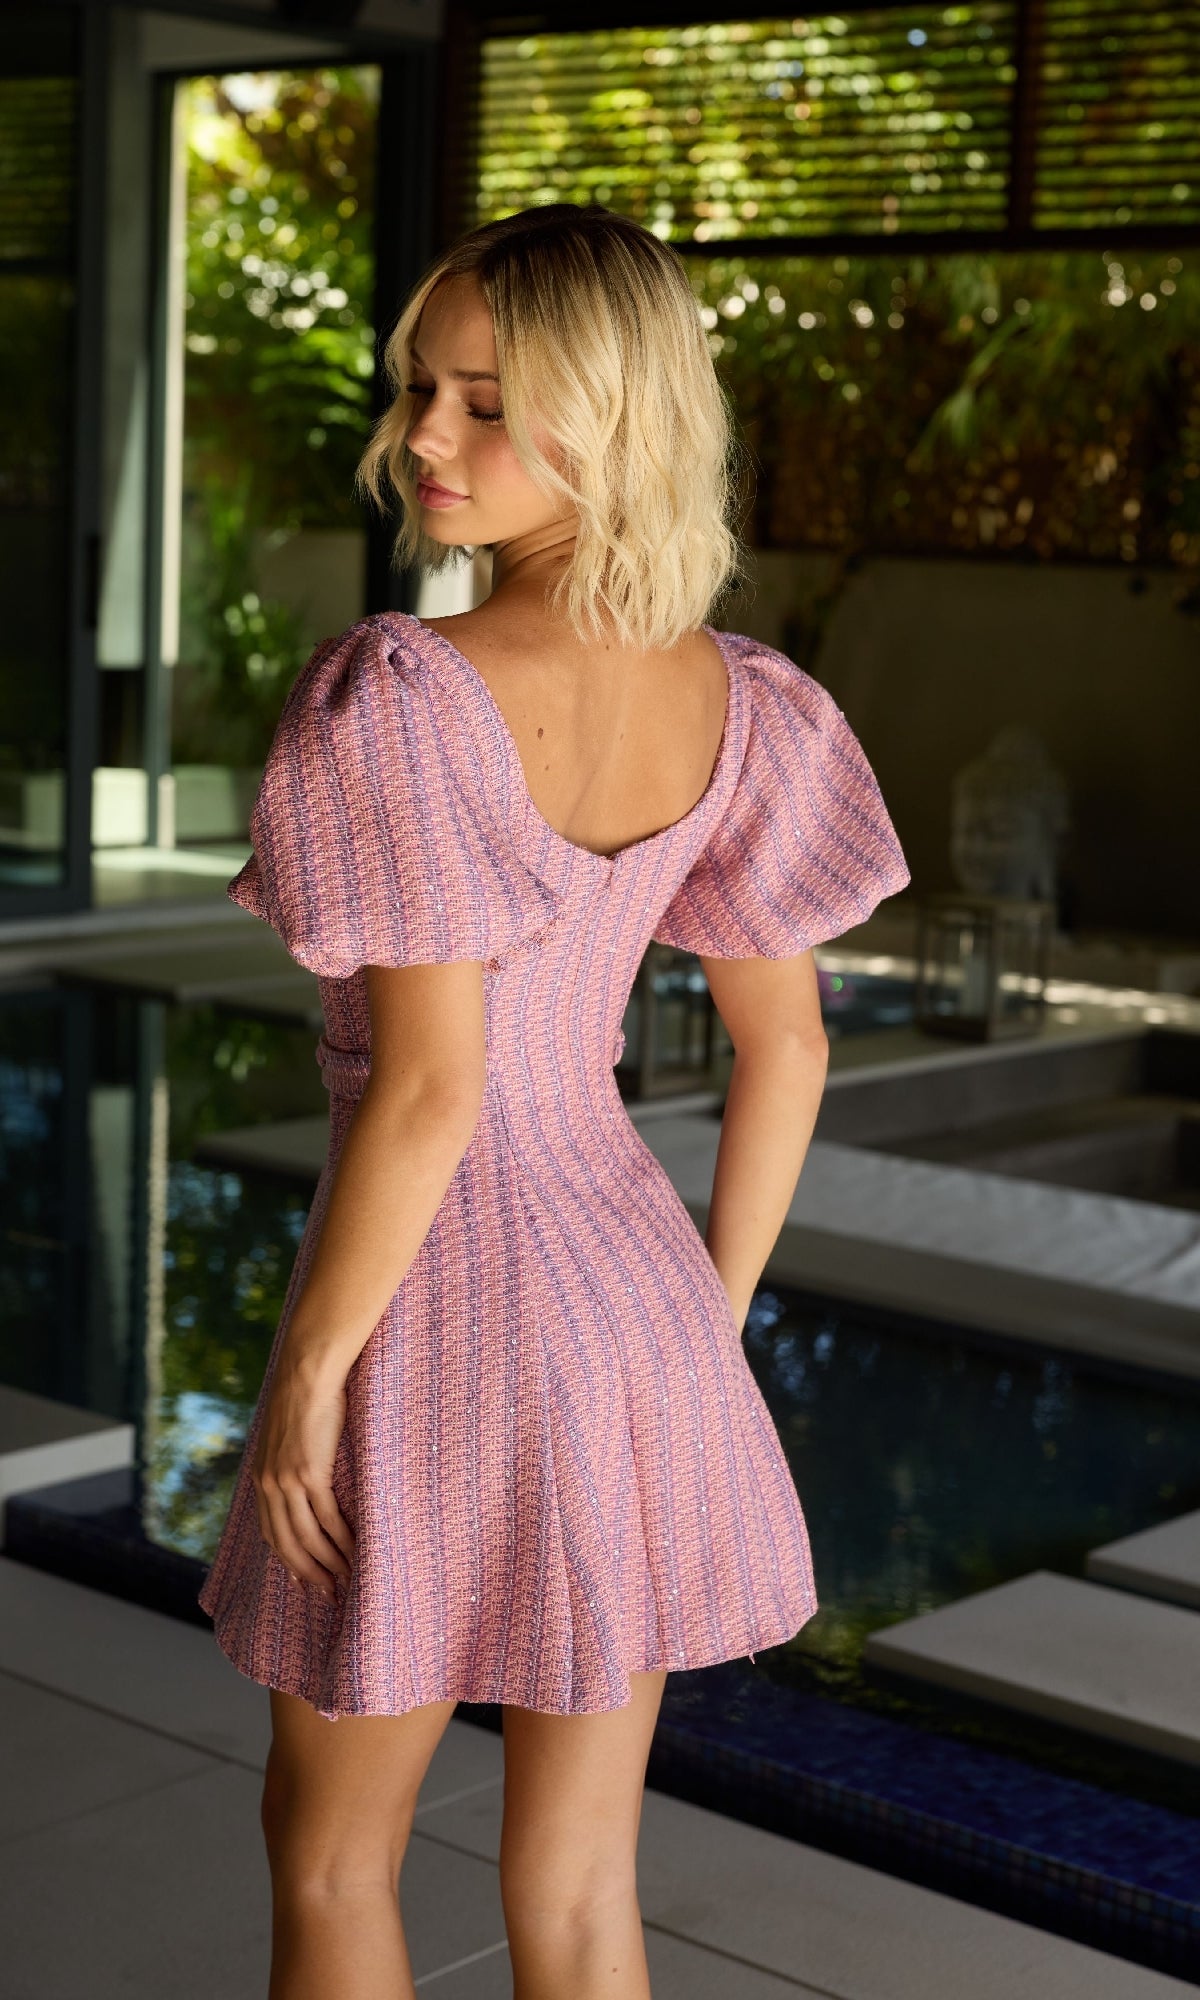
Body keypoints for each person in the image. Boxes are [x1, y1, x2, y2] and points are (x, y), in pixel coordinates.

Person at [198, 201, 910, 2000]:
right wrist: (704, 1323)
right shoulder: (747, 704)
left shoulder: (400, 695)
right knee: (582, 1888)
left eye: (488, 403)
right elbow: (790, 1048)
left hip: (432, 1301)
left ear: (613, 416)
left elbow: (433, 1093)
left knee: (331, 1852)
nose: (426, 437)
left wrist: (308, 1377)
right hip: (633, 1296)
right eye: (420, 389)